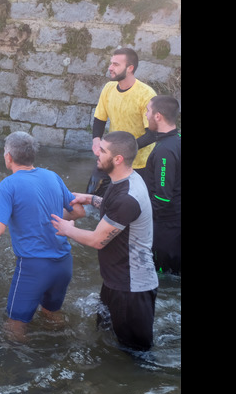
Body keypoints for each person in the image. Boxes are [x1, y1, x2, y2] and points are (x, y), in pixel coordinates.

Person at [0, 132, 85, 340]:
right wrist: (51, 217)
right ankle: (62, 350)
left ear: (8, 158)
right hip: (63, 263)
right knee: (51, 314)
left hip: (33, 268)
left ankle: (19, 369)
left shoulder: (8, 185)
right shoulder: (52, 176)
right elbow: (78, 211)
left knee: (14, 325)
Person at [51, 131, 158, 352]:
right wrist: (90, 198)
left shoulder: (128, 196)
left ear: (118, 159)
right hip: (116, 281)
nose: (97, 153)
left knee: (135, 357)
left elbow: (97, 240)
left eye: (103, 151)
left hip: (132, 288)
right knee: (106, 340)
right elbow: (114, 209)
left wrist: (66, 229)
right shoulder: (122, 180)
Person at [89, 47, 157, 195]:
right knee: (91, 196)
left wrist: (123, 150)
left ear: (130, 68)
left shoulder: (146, 94)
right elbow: (100, 119)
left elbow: (152, 134)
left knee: (131, 205)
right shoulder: (108, 88)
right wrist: (96, 141)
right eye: (111, 63)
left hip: (139, 162)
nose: (110, 68)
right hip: (110, 156)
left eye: (115, 64)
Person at [144, 96, 181, 275]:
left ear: (157, 116)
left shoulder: (165, 150)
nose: (146, 115)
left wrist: (138, 218)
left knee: (162, 276)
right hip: (176, 223)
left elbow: (162, 196)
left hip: (166, 228)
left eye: (148, 111)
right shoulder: (178, 139)